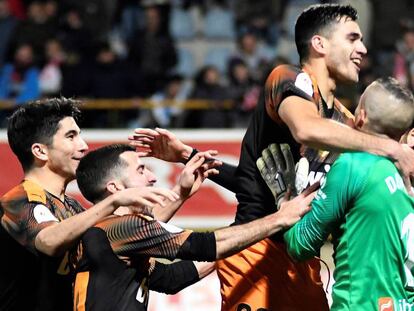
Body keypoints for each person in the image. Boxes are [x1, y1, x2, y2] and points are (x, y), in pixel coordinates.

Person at [130, 4, 414, 310]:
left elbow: (258, 179)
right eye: (352, 38)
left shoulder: (344, 125)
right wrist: (392, 148)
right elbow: (305, 128)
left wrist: (190, 155)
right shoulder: (287, 79)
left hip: (304, 257)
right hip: (255, 255)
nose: (363, 48)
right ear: (319, 44)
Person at [73, 143, 317, 311]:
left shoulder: (112, 234)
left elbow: (170, 278)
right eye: (140, 170)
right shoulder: (121, 228)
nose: (152, 176)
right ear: (114, 188)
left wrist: (247, 242)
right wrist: (279, 218)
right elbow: (208, 246)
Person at [0, 98, 179, 311]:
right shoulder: (18, 200)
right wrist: (113, 201)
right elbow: (48, 241)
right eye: (71, 136)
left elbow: (121, 235)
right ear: (40, 151)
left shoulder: (72, 207)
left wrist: (181, 192)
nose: (83, 146)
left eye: (80, 136)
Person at [284, 77, 414, 310]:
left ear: (361, 116)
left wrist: (284, 199)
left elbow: (300, 245)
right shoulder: (405, 176)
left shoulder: (354, 165)